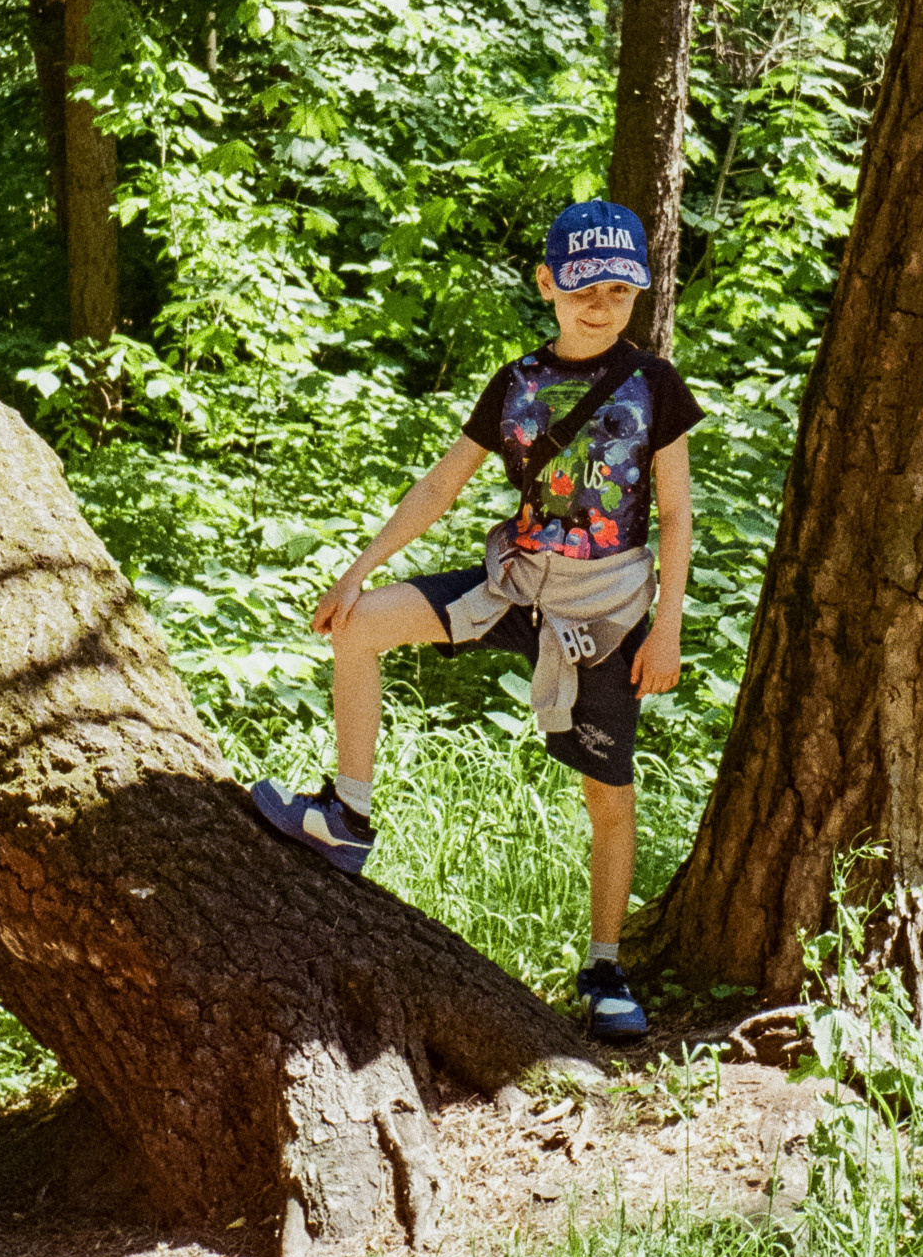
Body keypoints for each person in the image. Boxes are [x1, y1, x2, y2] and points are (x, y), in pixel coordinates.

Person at [250, 199, 703, 1044]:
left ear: (636, 292)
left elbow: (675, 516)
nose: (598, 304)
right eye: (581, 287)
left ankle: (605, 966)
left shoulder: (655, 385)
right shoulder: (518, 382)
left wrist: (667, 627)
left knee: (608, 793)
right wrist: (359, 572)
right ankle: (347, 816)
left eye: (617, 288)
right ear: (547, 284)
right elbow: (441, 484)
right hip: (515, 585)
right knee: (361, 628)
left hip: (604, 613)